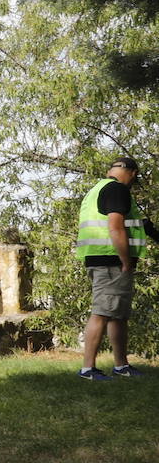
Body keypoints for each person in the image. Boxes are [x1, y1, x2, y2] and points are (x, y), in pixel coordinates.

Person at [77, 157, 148, 380]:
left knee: (117, 314)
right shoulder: (117, 189)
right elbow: (115, 226)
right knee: (101, 312)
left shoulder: (97, 189)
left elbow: (135, 225)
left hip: (99, 258)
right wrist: (126, 260)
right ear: (131, 172)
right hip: (111, 260)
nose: (133, 182)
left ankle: (121, 365)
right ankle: (88, 369)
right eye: (135, 177)